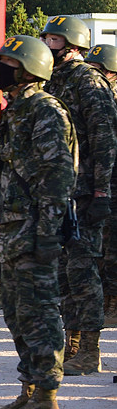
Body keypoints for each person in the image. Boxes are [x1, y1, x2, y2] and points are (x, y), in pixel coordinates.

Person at [0, 35, 77, 409]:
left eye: (9, 63)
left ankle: (46, 399)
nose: (1, 70)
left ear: (28, 68)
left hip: (35, 231)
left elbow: (57, 180)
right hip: (9, 231)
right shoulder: (12, 113)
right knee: (17, 315)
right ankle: (30, 389)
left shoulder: (45, 111)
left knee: (39, 315)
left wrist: (46, 238)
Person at [41, 15, 117, 376]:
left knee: (83, 273)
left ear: (71, 44)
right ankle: (70, 345)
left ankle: (90, 349)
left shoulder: (89, 81)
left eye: (53, 40)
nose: (47, 45)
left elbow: (104, 139)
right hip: (58, 192)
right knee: (63, 274)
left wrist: (102, 189)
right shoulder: (50, 81)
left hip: (86, 192)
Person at [84, 43, 117, 328]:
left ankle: (114, 303)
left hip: (110, 182)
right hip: (103, 180)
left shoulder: (107, 99)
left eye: (99, 69)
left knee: (113, 248)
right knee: (103, 249)